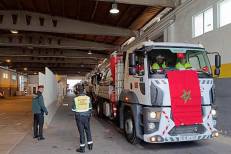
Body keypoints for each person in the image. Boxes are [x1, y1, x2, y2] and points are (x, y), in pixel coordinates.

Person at [72, 84, 93, 153]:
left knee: (81, 132)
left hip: (79, 117)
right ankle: (90, 146)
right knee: (88, 130)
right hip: (87, 117)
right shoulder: (88, 98)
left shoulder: (75, 99)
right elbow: (90, 108)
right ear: (83, 90)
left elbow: (73, 109)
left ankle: (82, 148)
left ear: (77, 91)